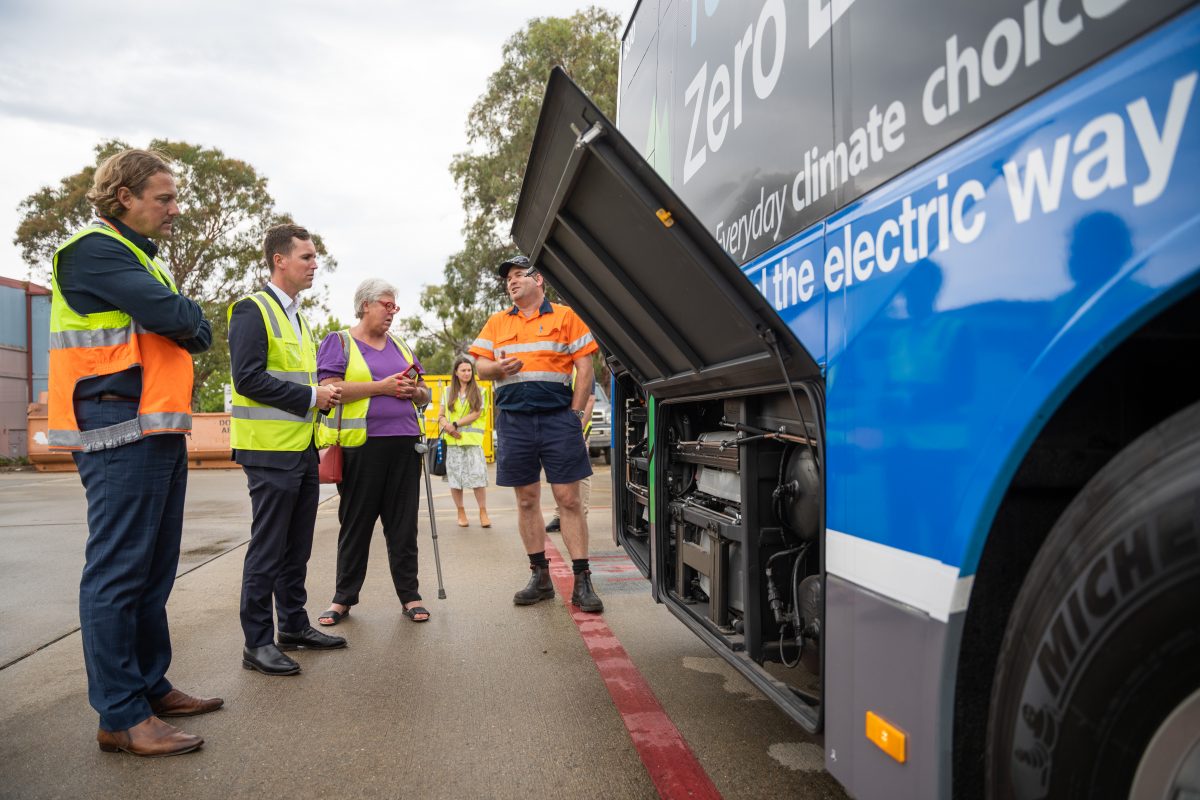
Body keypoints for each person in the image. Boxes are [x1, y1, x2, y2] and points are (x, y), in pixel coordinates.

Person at [48, 148, 219, 757]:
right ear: (124, 196)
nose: (176, 209)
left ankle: (149, 685)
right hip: (119, 426)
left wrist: (187, 318)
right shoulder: (94, 250)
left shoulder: (144, 259)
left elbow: (193, 329)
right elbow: (176, 317)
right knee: (119, 572)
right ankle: (119, 714)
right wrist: (185, 317)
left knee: (153, 569)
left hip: (155, 428)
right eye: (164, 198)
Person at [228, 223, 346, 675]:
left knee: (296, 547)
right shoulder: (251, 310)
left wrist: (317, 393)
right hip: (267, 451)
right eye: (307, 257)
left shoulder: (299, 315)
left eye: (315, 258)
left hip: (300, 449)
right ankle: (256, 643)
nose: (315, 264)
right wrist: (310, 397)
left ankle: (293, 626)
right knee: (269, 548)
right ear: (280, 260)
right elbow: (249, 378)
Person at [469, 255, 603, 613]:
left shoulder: (565, 316)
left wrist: (575, 415)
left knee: (569, 500)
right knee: (526, 499)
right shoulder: (497, 322)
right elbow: (480, 367)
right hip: (514, 422)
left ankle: (582, 580)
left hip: (559, 419)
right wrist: (496, 367)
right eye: (507, 279)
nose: (511, 282)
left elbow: (585, 368)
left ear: (538, 279)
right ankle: (539, 576)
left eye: (517, 275)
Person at [313, 279, 433, 625]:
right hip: (361, 448)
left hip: (405, 444)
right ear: (365, 305)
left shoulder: (401, 345)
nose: (392, 312)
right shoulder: (339, 342)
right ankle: (343, 597)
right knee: (356, 523)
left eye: (395, 306)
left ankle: (410, 595)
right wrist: (381, 387)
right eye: (387, 305)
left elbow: (423, 392)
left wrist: (415, 392)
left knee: (403, 524)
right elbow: (329, 389)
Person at [438, 355, 491, 528]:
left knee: (478, 479)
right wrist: (446, 425)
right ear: (456, 372)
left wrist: (454, 424)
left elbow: (476, 414)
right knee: (455, 480)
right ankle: (461, 512)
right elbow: (440, 415)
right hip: (453, 443)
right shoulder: (447, 392)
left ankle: (483, 511)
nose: (467, 373)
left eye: (469, 370)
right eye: (463, 370)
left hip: (472, 442)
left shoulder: (480, 391)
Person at [546, 367, 595, 532]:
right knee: (558, 470)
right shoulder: (557, 364)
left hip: (576, 428)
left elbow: (590, 399)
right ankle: (560, 516)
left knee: (580, 473)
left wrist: (576, 427)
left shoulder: (581, 368)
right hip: (558, 428)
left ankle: (582, 516)